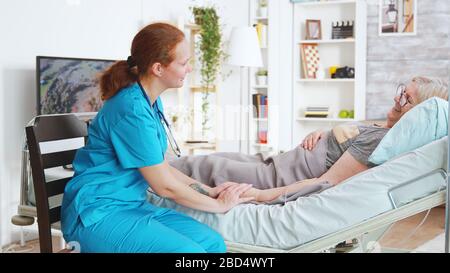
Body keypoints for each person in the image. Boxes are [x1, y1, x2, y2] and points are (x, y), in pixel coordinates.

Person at [61, 22, 255, 253]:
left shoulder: (149, 102)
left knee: (213, 244)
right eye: (183, 63)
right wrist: (218, 205)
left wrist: (208, 190)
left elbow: (160, 168)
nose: (189, 69)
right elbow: (164, 187)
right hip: (96, 215)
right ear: (158, 68)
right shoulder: (130, 109)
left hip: (130, 207)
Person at [169, 76, 448, 204]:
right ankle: (153, 170)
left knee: (206, 167)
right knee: (213, 159)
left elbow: (327, 182)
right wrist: (326, 133)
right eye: (402, 90)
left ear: (417, 116)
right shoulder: (382, 128)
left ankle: (147, 178)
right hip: (278, 161)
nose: (396, 99)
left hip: (280, 176)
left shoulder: (380, 144)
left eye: (406, 98)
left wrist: (263, 195)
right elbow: (349, 137)